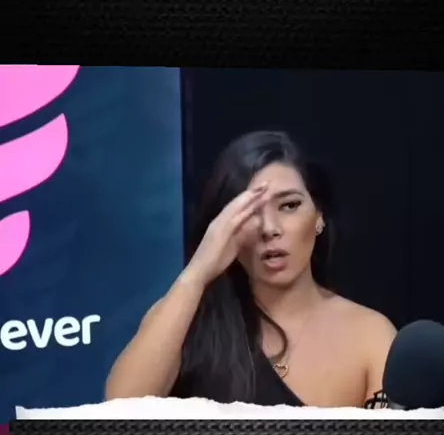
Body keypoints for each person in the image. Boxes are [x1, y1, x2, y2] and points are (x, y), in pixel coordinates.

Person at [106, 130, 396, 408]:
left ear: (319, 216)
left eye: (289, 206)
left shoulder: (369, 334)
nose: (269, 228)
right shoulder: (187, 321)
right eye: (249, 212)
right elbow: (119, 414)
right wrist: (198, 272)